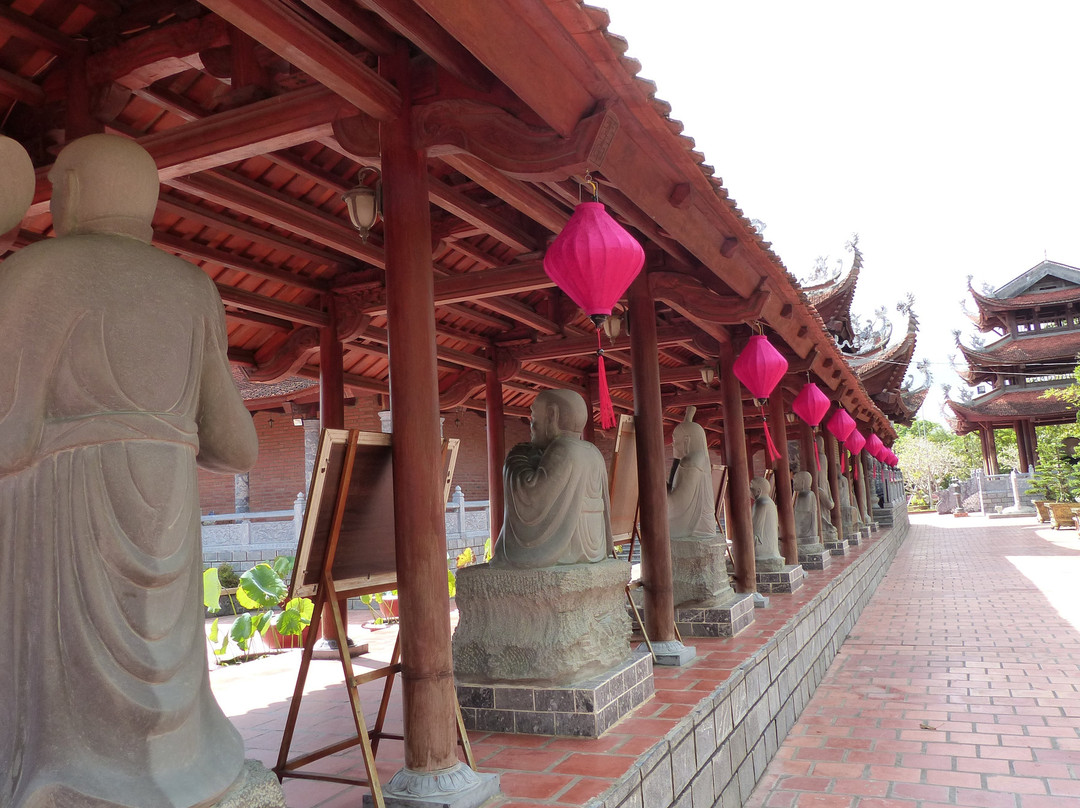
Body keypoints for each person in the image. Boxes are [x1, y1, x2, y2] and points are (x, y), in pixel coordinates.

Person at [0, 134, 258, 808]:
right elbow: (239, 448)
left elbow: (10, 440)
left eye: (56, 191)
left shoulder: (38, 272)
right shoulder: (194, 288)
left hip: (63, 516)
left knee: (59, 705)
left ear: (77, 192)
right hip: (168, 521)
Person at [491, 388, 613, 568]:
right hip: (593, 546)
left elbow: (532, 498)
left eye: (534, 416)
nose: (531, 425)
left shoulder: (562, 448)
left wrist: (515, 460)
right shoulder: (593, 452)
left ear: (552, 415)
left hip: (565, 550)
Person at [667, 406, 719, 540]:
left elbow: (678, 505)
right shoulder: (701, 457)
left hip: (694, 528)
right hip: (704, 525)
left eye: (674, 440)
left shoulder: (691, 461)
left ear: (687, 441)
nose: (673, 445)